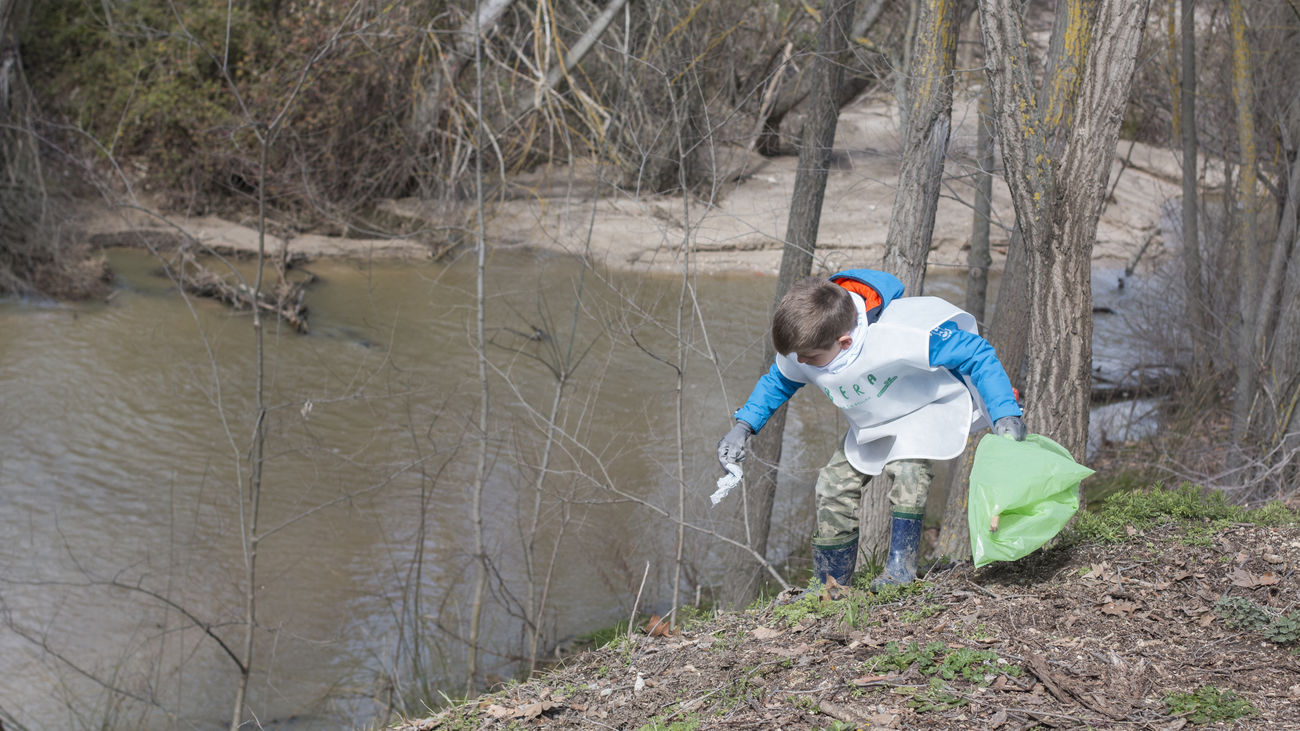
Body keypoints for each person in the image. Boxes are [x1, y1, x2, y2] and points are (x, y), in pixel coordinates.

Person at [716, 269, 1026, 590]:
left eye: (809, 358)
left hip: (921, 411)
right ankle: (831, 585)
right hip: (871, 420)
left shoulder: (900, 332)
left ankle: (900, 571)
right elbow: (778, 381)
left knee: (909, 473)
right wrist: (743, 426)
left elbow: (976, 353)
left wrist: (1004, 412)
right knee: (832, 485)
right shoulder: (809, 347)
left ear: (845, 342)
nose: (802, 363)